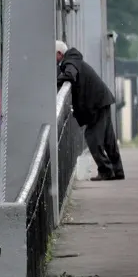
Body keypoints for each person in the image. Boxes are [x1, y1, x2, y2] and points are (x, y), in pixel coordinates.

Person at [56, 40, 123, 181]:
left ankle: (106, 171)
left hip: (96, 103)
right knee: (107, 138)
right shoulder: (74, 59)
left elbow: (70, 75)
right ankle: (117, 171)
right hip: (101, 100)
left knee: (93, 137)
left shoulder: (70, 62)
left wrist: (56, 81)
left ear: (59, 54)